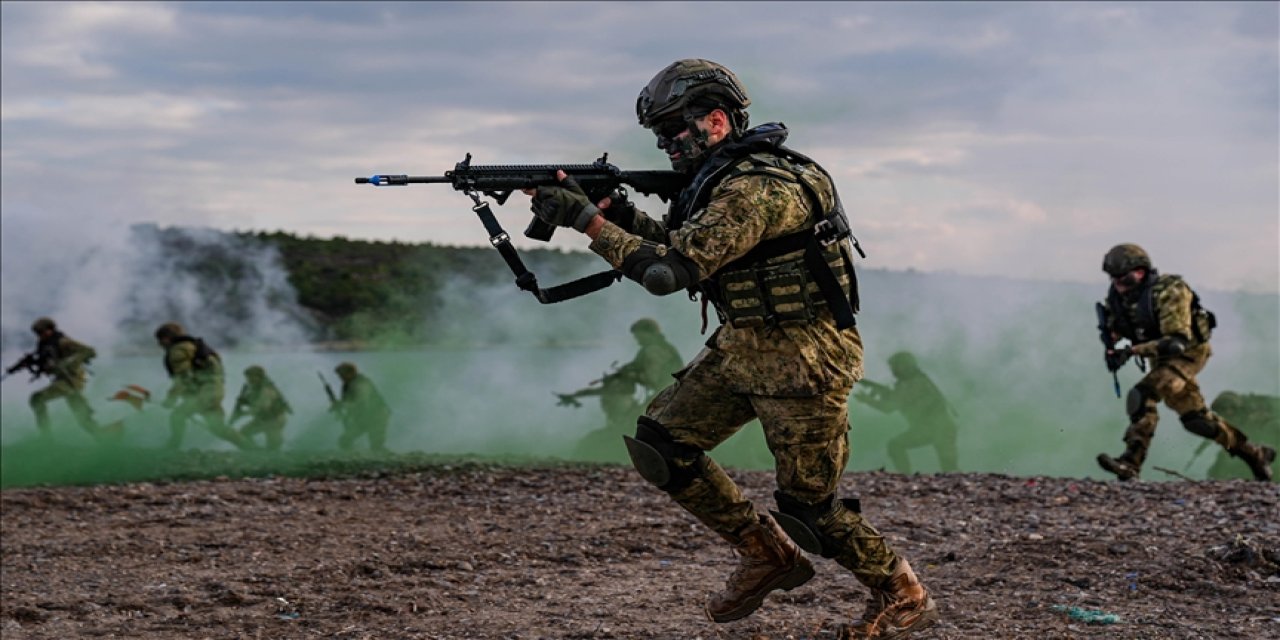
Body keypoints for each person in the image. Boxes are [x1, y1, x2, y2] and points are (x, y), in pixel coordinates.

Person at [524, 59, 936, 638]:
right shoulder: (721, 182)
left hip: (803, 358)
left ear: (716, 120)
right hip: (743, 345)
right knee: (663, 447)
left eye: (673, 130)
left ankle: (903, 592)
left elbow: (668, 273)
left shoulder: (758, 187)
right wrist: (618, 215)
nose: (666, 144)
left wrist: (589, 222)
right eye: (659, 134)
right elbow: (683, 246)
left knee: (810, 509)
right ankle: (766, 553)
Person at [1095, 244, 1274, 482]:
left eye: (1125, 279)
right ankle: (1255, 454)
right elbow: (1119, 325)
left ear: (1141, 272)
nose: (1119, 285)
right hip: (1160, 358)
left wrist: (1131, 351)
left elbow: (1176, 342)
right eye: (1114, 279)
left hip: (1188, 354)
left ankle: (1130, 463)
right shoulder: (1121, 297)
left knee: (1142, 395)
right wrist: (1112, 344)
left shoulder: (1171, 291)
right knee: (1196, 420)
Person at [853, 351, 959, 474]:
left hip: (939, 428)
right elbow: (897, 397)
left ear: (904, 366)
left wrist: (867, 400)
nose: (893, 371)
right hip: (935, 427)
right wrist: (880, 391)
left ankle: (904, 476)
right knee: (949, 468)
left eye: (895, 367)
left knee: (949, 468)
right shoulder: (914, 381)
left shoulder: (915, 383)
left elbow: (889, 407)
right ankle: (905, 476)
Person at [155, 322, 254, 451]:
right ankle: (251, 448)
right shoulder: (193, 346)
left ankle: (173, 446)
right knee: (218, 428)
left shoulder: (178, 351)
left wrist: (171, 398)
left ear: (165, 339)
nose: (159, 345)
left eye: (159, 341)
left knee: (177, 415)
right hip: (214, 392)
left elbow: (183, 378)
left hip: (205, 393)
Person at [12, 317, 115, 440]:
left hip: (71, 380)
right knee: (81, 416)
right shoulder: (44, 344)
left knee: (37, 399)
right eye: (37, 333)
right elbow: (45, 362)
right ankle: (102, 437)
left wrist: (67, 363)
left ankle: (46, 437)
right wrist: (29, 363)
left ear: (50, 330)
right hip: (62, 380)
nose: (39, 335)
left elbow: (90, 351)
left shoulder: (63, 342)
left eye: (41, 332)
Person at [1202, 391, 1279, 480]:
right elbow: (1221, 464)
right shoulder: (1234, 432)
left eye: (1229, 410)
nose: (1226, 415)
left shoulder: (1267, 425)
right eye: (1221, 412)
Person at [229, 365, 292, 451]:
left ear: (259, 377)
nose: (249, 380)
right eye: (248, 377)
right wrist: (244, 401)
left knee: (274, 447)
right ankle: (255, 450)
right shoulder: (254, 387)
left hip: (274, 420)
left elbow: (262, 406)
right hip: (262, 419)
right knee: (243, 433)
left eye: (252, 377)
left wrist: (242, 414)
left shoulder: (266, 389)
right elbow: (252, 400)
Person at [332, 362, 391, 453]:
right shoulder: (347, 385)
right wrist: (341, 410)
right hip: (363, 417)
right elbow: (348, 402)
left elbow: (361, 402)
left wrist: (342, 405)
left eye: (342, 375)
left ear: (350, 373)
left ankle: (387, 458)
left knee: (376, 445)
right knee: (345, 440)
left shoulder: (362, 383)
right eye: (339, 375)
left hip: (377, 415)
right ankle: (353, 455)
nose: (340, 378)